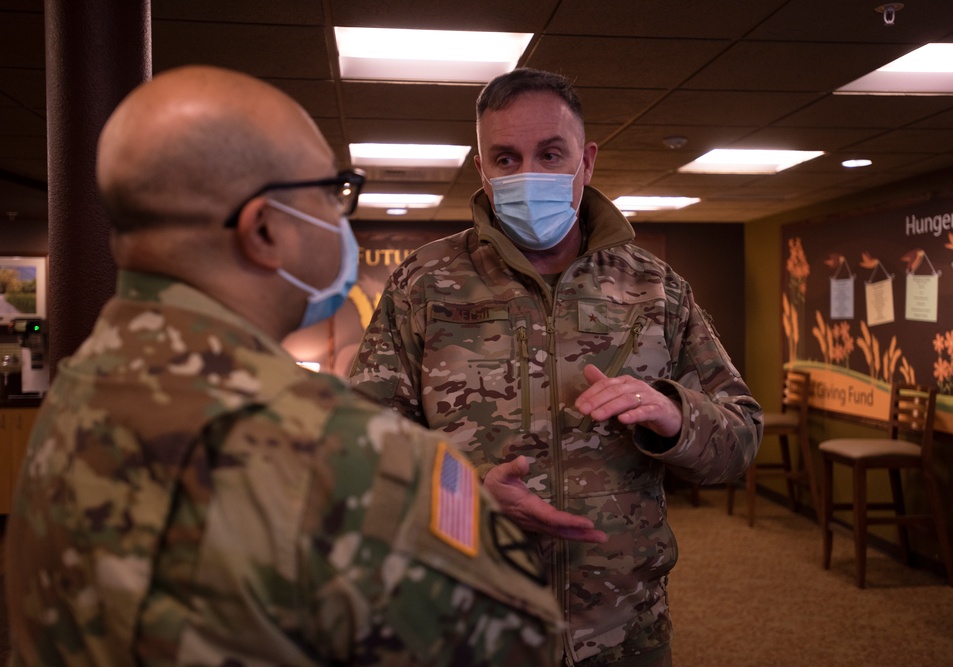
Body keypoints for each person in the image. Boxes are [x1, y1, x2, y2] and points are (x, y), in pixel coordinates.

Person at [4, 65, 563, 666]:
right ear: (266, 230)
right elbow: (521, 643)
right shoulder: (347, 453)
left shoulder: (84, 380)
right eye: (332, 192)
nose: (341, 215)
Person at [349, 68, 763, 666]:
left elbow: (743, 437)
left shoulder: (655, 289)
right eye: (506, 158)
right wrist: (461, 499)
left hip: (627, 632)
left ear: (586, 161)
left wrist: (675, 416)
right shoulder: (424, 283)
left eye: (550, 153)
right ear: (482, 169)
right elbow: (362, 452)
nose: (529, 175)